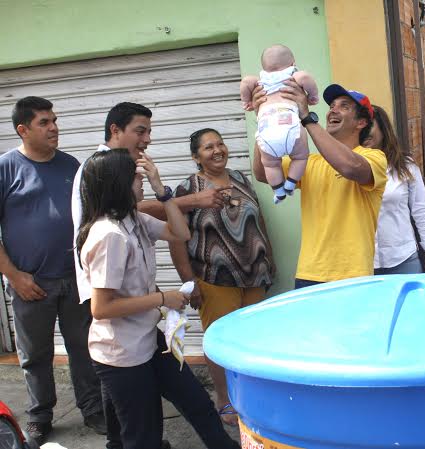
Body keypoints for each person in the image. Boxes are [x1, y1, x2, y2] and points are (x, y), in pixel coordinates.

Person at [70, 102, 229, 449]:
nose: (143, 178)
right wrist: (162, 298)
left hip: (147, 337)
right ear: (117, 184)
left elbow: (180, 233)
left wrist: (163, 190)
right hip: (122, 354)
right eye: (138, 177)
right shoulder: (109, 234)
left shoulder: (134, 219)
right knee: (143, 435)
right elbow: (101, 308)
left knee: (196, 403)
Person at [0, 96, 105, 444]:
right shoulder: (6, 168)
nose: (54, 127)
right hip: (30, 283)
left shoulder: (71, 165)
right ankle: (40, 415)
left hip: (74, 279)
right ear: (23, 129)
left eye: (54, 120)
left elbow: (86, 216)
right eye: (44, 122)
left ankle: (93, 411)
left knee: (83, 348)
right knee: (36, 355)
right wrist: (15, 276)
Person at [168, 128, 275, 426]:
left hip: (254, 276)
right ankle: (224, 398)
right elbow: (176, 238)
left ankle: (251, 395)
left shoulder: (241, 179)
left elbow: (260, 220)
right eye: (207, 147)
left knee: (252, 340)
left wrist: (271, 259)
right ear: (196, 157)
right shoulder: (188, 189)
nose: (217, 150)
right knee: (220, 341)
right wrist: (189, 282)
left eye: (220, 143)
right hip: (214, 279)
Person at [252, 82, 387, 288]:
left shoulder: (374, 157)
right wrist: (264, 119)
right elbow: (262, 173)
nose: (333, 109)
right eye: (332, 105)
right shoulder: (309, 162)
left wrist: (307, 118)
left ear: (361, 122)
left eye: (344, 106)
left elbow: (349, 167)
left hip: (353, 275)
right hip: (309, 273)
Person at [363, 105, 425, 274]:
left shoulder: (405, 166)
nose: (364, 132)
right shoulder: (347, 168)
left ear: (383, 129)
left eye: (369, 126)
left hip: (403, 259)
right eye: (360, 127)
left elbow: (422, 210)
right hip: (363, 263)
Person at [240, 44, 319, 204]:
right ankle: (290, 183)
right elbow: (305, 78)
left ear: (264, 68)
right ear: (292, 63)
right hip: (290, 126)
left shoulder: (259, 81)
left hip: (267, 130)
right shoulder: (292, 76)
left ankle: (278, 191)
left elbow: (245, 81)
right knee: (300, 157)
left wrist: (247, 101)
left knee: (270, 164)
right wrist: (313, 95)